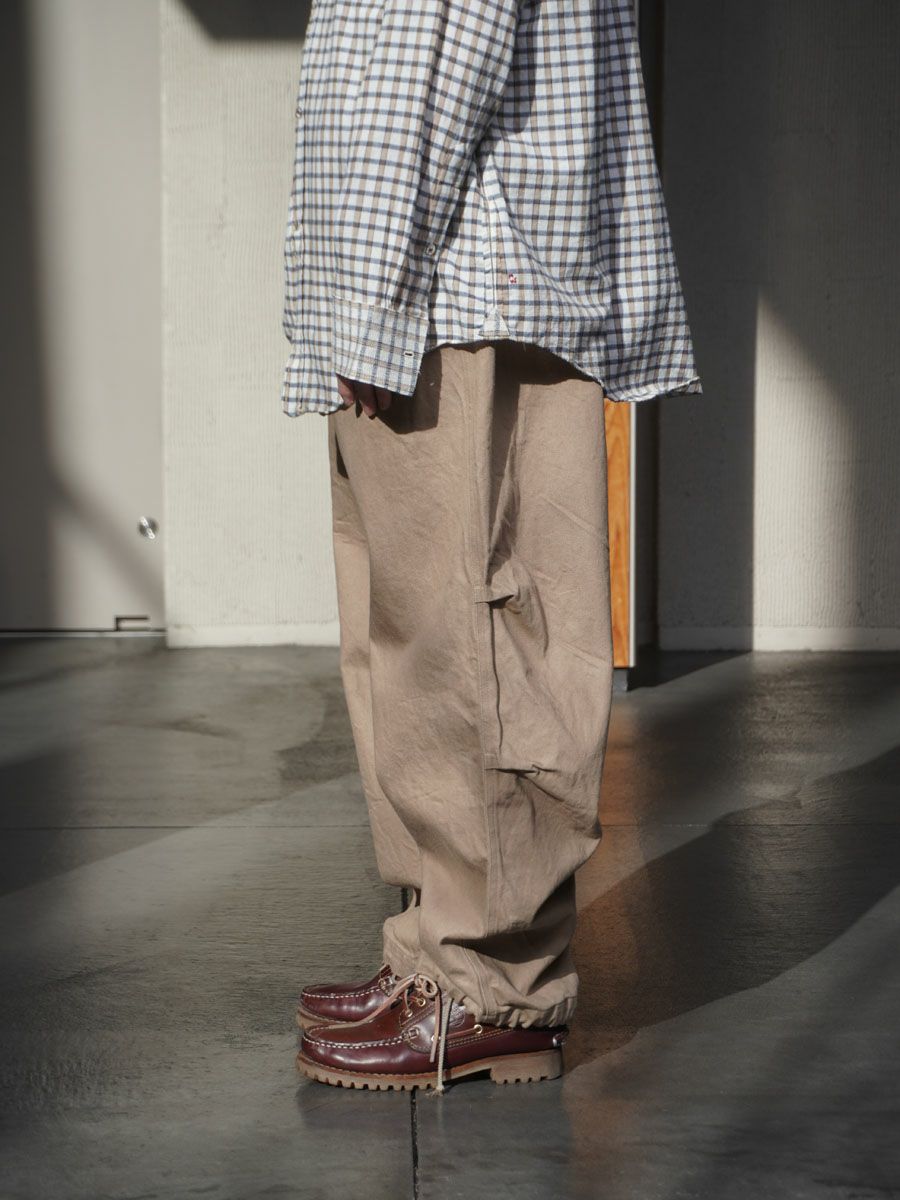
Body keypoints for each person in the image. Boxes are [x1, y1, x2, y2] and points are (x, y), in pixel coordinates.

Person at [281, 0, 701, 1094]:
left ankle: (491, 985)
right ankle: (436, 950)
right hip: (441, 280)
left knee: (479, 651)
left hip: (463, 281)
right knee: (412, 638)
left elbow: (437, 42)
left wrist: (370, 295)